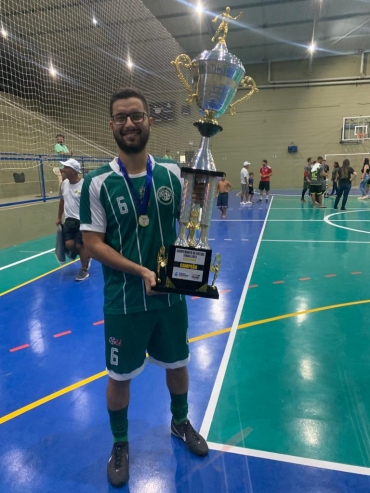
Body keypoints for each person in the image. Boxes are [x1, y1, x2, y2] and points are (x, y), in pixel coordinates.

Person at [79, 88, 208, 488]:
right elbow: (92, 244)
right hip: (123, 300)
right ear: (112, 126)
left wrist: (189, 266)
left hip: (169, 298)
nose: (129, 123)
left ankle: (180, 422)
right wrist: (140, 271)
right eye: (121, 117)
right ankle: (120, 443)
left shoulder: (171, 172)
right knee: (119, 377)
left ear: (150, 121)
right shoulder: (97, 182)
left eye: (136, 115)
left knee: (178, 364)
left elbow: (190, 223)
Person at [56, 158, 91, 281]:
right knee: (69, 245)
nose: (63, 170)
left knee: (80, 245)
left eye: (66, 167)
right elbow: (62, 201)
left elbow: (91, 204)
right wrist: (59, 217)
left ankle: (84, 270)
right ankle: (87, 255)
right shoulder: (64, 184)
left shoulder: (85, 184)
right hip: (69, 221)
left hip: (82, 221)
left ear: (74, 171)